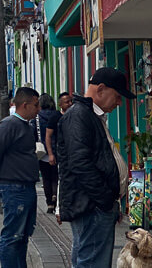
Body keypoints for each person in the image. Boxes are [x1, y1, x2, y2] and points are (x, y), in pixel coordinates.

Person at [57, 68, 133, 268]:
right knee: (92, 262)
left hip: (95, 205)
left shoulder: (90, 115)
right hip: (91, 206)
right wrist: (105, 199)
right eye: (117, 96)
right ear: (101, 89)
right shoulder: (79, 115)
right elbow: (80, 164)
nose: (119, 103)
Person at [0, 86, 41, 268]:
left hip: (25, 186)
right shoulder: (9, 124)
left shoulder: (26, 125)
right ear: (24, 105)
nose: (38, 109)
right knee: (13, 235)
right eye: (35, 105)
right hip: (15, 188)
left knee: (22, 236)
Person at [43, 92, 71, 208]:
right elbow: (48, 136)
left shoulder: (75, 115)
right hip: (60, 153)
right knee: (57, 177)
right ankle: (56, 202)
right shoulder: (55, 117)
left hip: (73, 153)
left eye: (70, 101)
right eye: (66, 102)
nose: (70, 104)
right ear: (60, 104)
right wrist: (50, 154)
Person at [36, 93, 59, 214]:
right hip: (58, 151)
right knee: (56, 177)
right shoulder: (57, 115)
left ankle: (49, 203)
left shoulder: (37, 117)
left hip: (42, 151)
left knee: (46, 178)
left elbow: (33, 132)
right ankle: (55, 195)